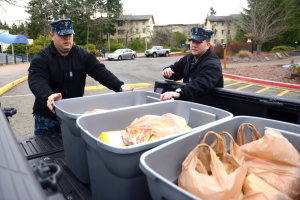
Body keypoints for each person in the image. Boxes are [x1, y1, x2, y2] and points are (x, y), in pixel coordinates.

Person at [28, 19, 133, 135]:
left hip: (74, 116)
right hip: (47, 119)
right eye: (62, 35)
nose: (67, 38)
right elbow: (36, 79)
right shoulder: (41, 58)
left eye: (69, 34)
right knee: (47, 152)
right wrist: (49, 95)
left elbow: (100, 71)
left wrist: (120, 86)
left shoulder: (83, 55)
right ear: (52, 35)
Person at [160, 27, 223, 101]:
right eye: (193, 41)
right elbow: (176, 69)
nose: (194, 45)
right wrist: (168, 71)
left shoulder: (213, 63)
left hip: (208, 107)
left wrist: (180, 92)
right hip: (190, 104)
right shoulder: (188, 58)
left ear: (208, 45)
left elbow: (202, 84)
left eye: (198, 42)